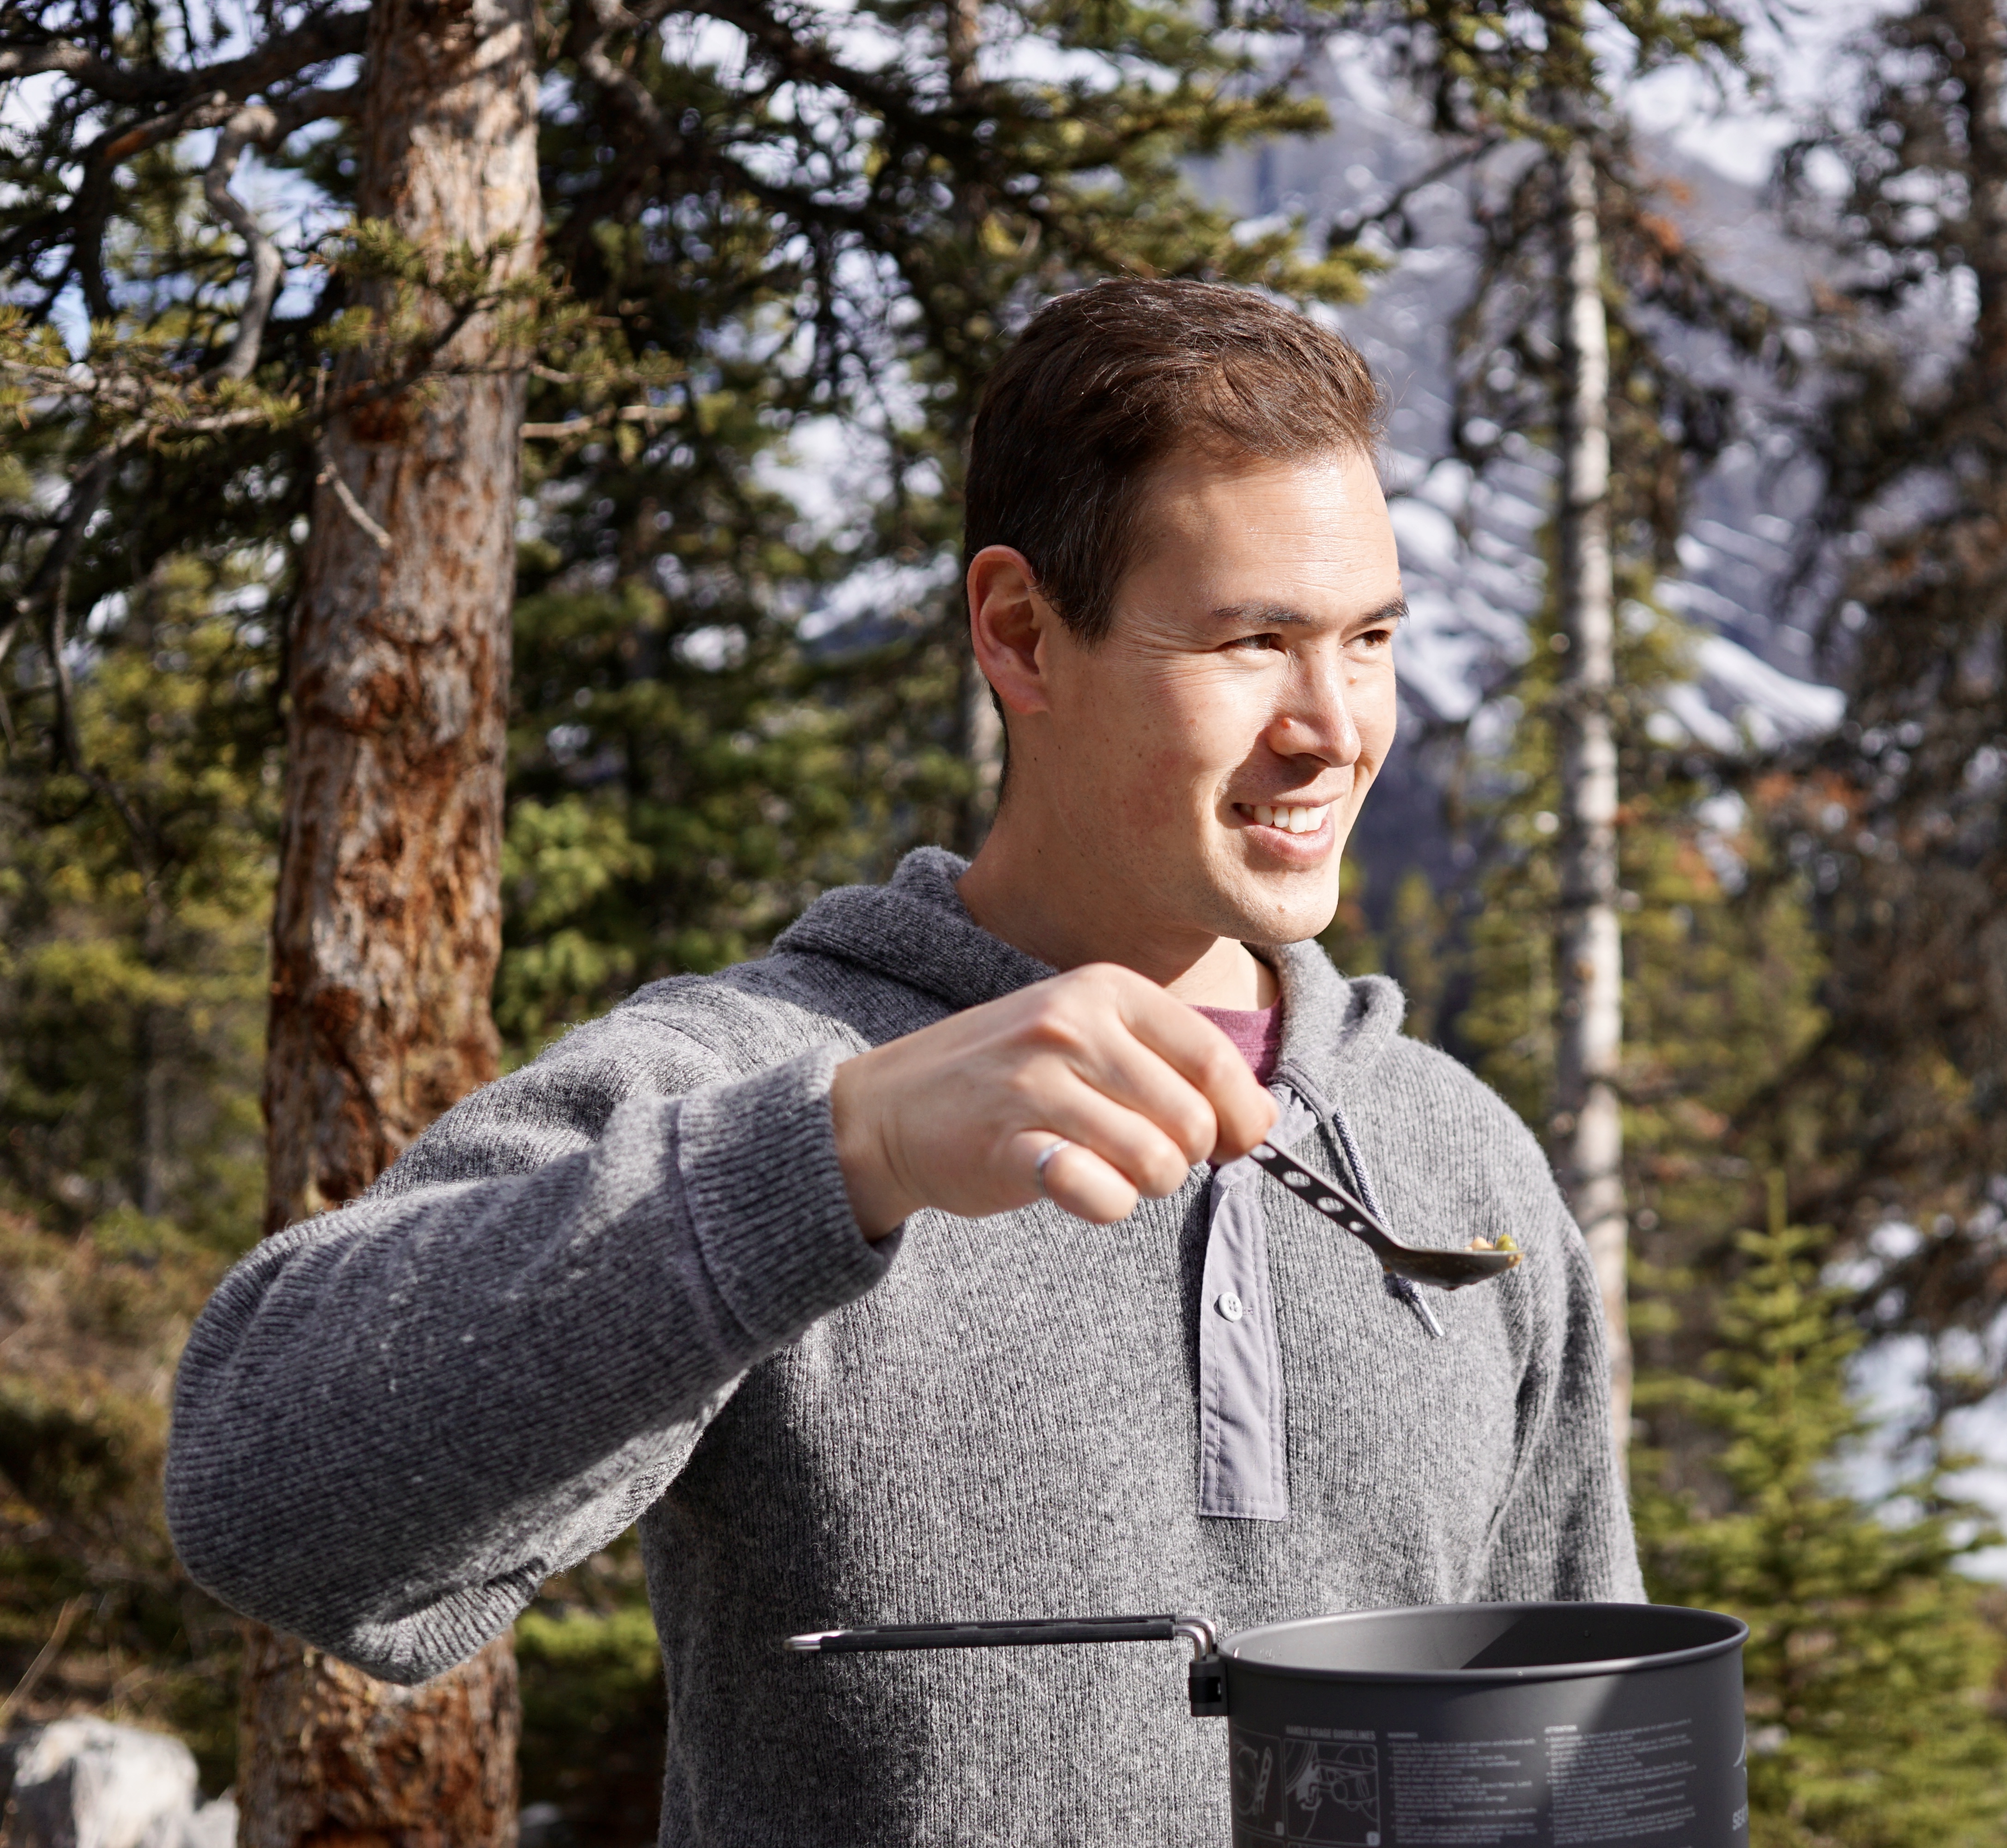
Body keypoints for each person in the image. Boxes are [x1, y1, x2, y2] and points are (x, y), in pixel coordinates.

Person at [166, 279, 1638, 1846]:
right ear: (1019, 634)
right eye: (1253, 641)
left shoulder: (1458, 1154)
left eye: (1370, 638)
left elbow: (1592, 1761)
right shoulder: (765, 1074)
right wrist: (836, 1159)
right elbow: (263, 1488)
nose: (1336, 724)